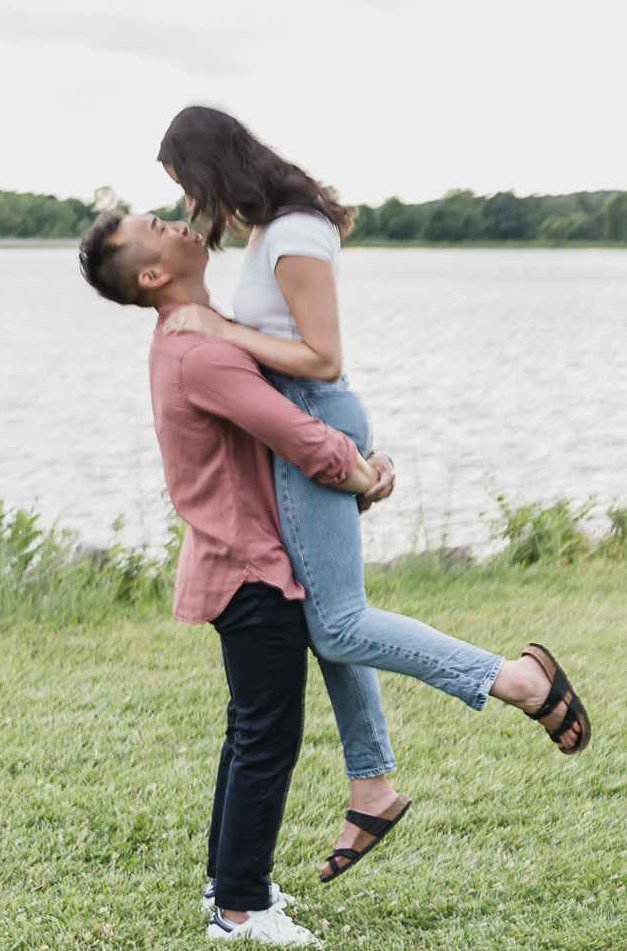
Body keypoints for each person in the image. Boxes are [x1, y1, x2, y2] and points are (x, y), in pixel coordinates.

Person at [157, 106, 591, 882]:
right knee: (329, 616)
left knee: (340, 623)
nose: (191, 205)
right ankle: (372, 786)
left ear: (212, 167)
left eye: (188, 186)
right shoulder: (270, 229)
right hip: (301, 424)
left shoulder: (292, 232)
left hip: (311, 415)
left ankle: (521, 681)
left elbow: (322, 358)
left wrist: (221, 335)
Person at [79, 209, 396, 945]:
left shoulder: (197, 334)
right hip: (250, 567)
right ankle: (241, 910)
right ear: (152, 275)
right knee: (266, 737)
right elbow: (301, 437)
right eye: (156, 224)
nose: (178, 221)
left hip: (238, 559)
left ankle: (231, 889)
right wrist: (364, 477)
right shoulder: (201, 352)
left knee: (250, 732)